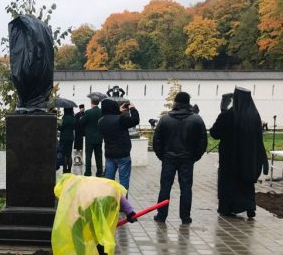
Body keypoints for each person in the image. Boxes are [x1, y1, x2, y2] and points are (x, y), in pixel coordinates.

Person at [51, 174, 136, 255]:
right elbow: (118, 193)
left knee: (76, 231)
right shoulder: (89, 181)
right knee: (98, 231)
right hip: (110, 200)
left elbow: (74, 214)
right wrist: (130, 212)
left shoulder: (70, 189)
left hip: (95, 203)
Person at [210, 87, 269, 219]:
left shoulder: (229, 114)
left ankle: (227, 207)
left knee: (228, 182)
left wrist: (222, 113)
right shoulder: (254, 115)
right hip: (248, 156)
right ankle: (249, 206)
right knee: (246, 182)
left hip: (229, 157)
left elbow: (215, 133)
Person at [153, 92, 207, 224]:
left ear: (175, 102)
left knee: (165, 187)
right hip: (187, 158)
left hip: (168, 158)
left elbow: (157, 141)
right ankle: (185, 217)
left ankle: (161, 215)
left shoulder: (165, 119)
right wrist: (195, 157)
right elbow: (203, 142)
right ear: (188, 102)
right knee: (186, 188)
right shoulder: (197, 119)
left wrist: (162, 156)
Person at [99, 99, 140, 191]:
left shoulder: (101, 121)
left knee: (109, 181)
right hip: (123, 154)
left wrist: (118, 111)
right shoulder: (120, 119)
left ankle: (109, 201)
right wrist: (132, 108)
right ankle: (123, 203)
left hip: (109, 154)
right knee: (123, 181)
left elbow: (111, 117)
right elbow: (135, 120)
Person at [80, 96, 103, 177]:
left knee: (88, 155)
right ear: (98, 102)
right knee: (99, 155)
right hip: (99, 137)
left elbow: (82, 122)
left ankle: (88, 172)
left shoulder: (88, 112)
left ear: (91, 103)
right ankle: (99, 172)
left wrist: (82, 117)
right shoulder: (102, 112)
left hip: (89, 138)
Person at [58, 107, 75, 173]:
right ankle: (69, 169)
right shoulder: (73, 118)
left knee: (64, 154)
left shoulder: (63, 118)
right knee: (69, 154)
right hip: (71, 138)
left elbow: (60, 128)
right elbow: (74, 126)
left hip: (64, 138)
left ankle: (64, 169)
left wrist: (59, 122)